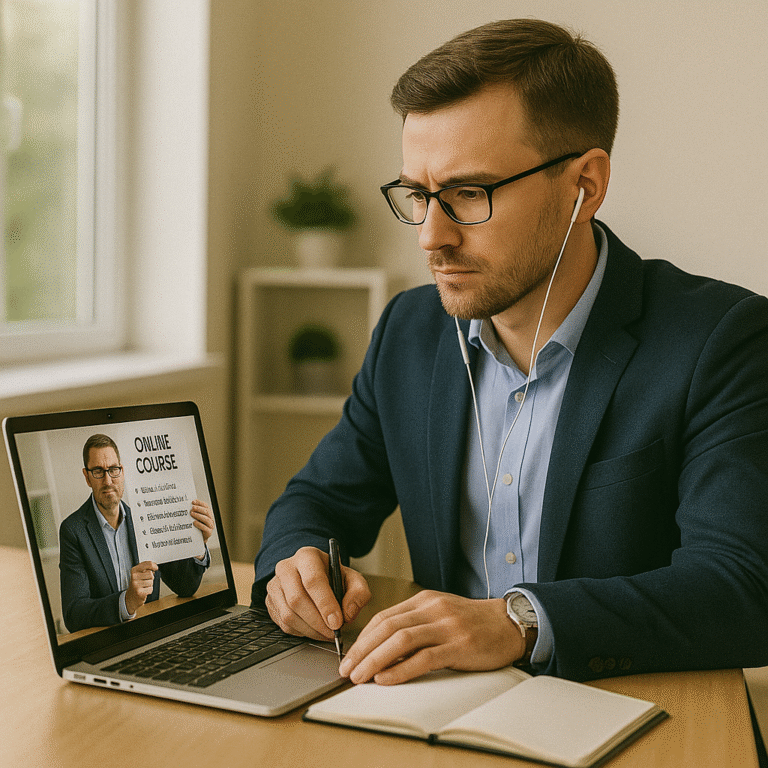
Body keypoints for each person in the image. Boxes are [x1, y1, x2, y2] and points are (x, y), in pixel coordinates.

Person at [251, 19, 768, 685]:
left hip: (631, 709)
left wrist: (519, 621)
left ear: (585, 185)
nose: (430, 237)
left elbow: (742, 587)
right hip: (435, 706)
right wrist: (295, 566)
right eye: (418, 195)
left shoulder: (722, 339)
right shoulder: (410, 332)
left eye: (469, 193)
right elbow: (315, 501)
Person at [59, 433, 215, 632]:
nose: (108, 480)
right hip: (107, 640)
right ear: (87, 476)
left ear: (122, 471)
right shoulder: (73, 530)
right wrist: (127, 602)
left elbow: (185, 587)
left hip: (151, 634)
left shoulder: (145, 519)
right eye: (98, 471)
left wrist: (197, 545)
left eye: (113, 470)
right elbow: (74, 614)